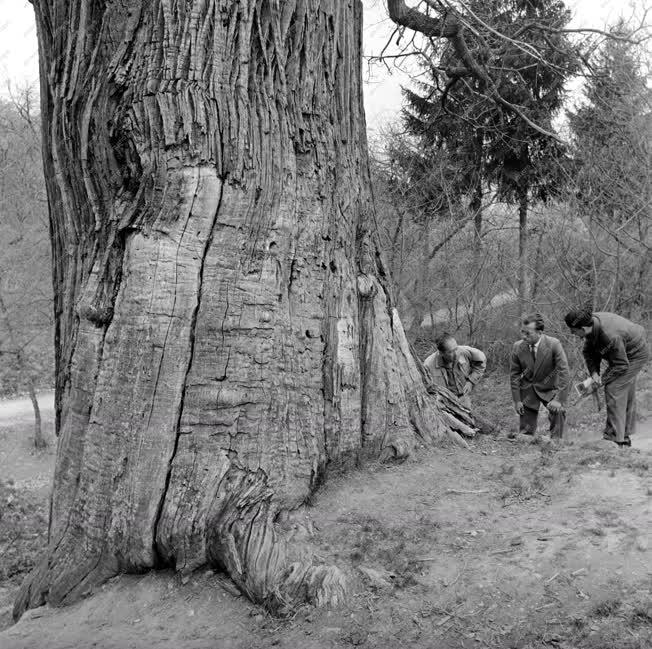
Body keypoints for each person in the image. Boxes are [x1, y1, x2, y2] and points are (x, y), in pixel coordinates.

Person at [564, 308, 649, 447]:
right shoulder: (591, 327)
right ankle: (624, 436)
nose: (571, 333)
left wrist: (600, 382)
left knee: (614, 387)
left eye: (573, 330)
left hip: (635, 353)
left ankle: (614, 439)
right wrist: (594, 373)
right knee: (622, 388)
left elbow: (621, 365)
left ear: (583, 328)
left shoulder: (609, 335)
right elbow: (588, 351)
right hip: (622, 351)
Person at [510, 313, 570, 439]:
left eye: (528, 334)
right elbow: (515, 375)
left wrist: (559, 400)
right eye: (522, 332)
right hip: (527, 390)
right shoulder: (517, 347)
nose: (524, 337)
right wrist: (517, 400)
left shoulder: (554, 344)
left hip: (549, 387)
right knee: (525, 435)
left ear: (540, 332)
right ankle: (527, 449)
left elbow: (564, 372)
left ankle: (555, 443)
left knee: (558, 412)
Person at [423, 333, 487, 407]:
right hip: (443, 404)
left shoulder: (464, 351)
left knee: (467, 416)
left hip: (463, 397)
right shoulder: (428, 365)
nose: (456, 353)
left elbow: (481, 361)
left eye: (456, 349)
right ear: (441, 353)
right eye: (450, 352)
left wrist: (471, 381)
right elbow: (426, 390)